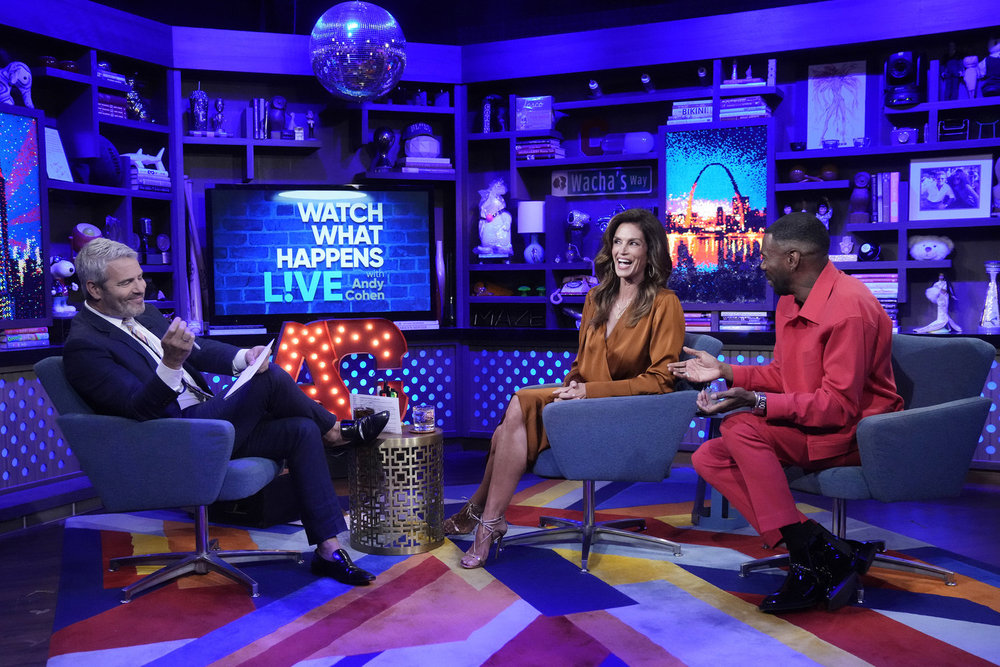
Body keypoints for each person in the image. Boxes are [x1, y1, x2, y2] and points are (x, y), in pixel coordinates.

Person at [62, 238, 390, 586]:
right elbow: (138, 409)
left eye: (140, 277)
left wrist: (245, 357)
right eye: (126, 283)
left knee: (298, 428)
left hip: (207, 425)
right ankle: (335, 432)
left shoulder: (145, 314)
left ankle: (328, 550)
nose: (140, 288)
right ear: (94, 289)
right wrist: (171, 363)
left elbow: (199, 350)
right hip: (168, 440)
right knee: (271, 379)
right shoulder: (85, 346)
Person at [668, 212, 903, 614]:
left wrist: (756, 402)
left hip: (858, 433)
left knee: (741, 426)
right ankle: (822, 548)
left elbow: (838, 407)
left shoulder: (849, 309)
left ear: (793, 259)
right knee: (708, 456)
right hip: (812, 424)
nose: (760, 263)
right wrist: (725, 371)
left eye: (766, 255)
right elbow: (782, 374)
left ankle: (807, 563)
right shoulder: (790, 302)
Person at [443, 208, 685, 568]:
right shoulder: (596, 298)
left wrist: (589, 393)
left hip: (624, 411)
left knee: (516, 413)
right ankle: (488, 520)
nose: (622, 251)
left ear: (650, 251)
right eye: (617, 242)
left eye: (633, 243)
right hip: (582, 403)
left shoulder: (665, 304)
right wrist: (574, 384)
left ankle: (482, 516)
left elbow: (661, 380)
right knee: (517, 410)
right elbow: (581, 362)